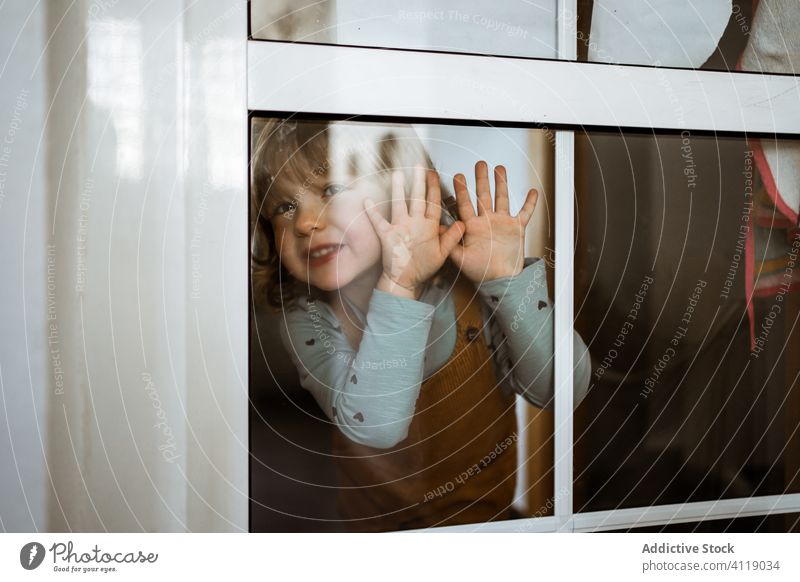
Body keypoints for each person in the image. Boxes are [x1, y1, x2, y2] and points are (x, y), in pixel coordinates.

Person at [251, 119, 591, 531]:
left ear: (406, 192)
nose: (305, 221)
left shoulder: (468, 287)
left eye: (331, 189)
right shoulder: (307, 314)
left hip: (486, 529)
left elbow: (560, 389)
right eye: (284, 207)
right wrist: (399, 284)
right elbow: (377, 426)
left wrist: (509, 279)